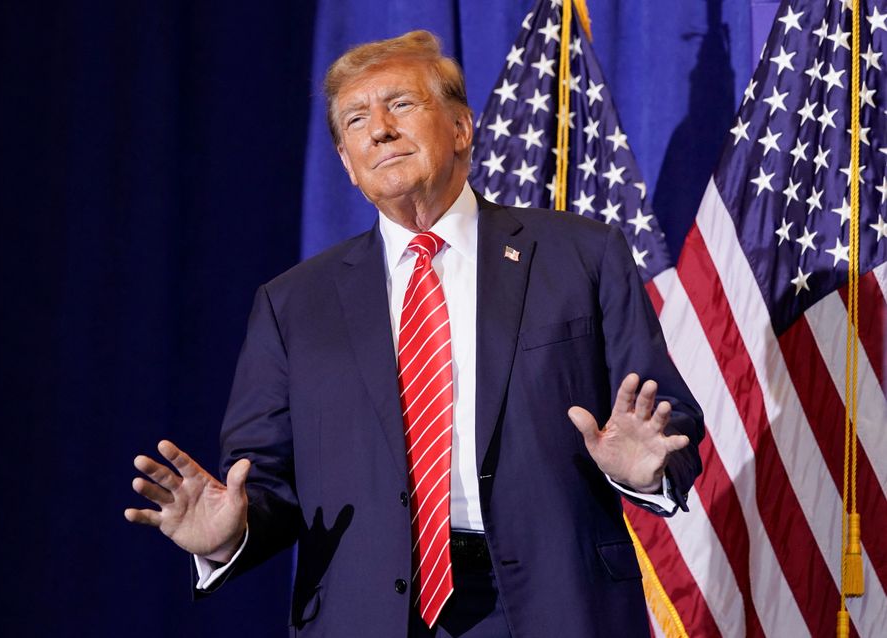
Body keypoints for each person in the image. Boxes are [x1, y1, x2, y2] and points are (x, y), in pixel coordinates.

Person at [125, 30, 703, 638]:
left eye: (400, 104)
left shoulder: (581, 256)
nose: (379, 128)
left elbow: (666, 419)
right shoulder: (292, 305)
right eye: (355, 119)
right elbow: (264, 481)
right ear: (347, 164)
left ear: (460, 128)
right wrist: (228, 537)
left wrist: (646, 468)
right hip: (365, 616)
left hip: (553, 605)